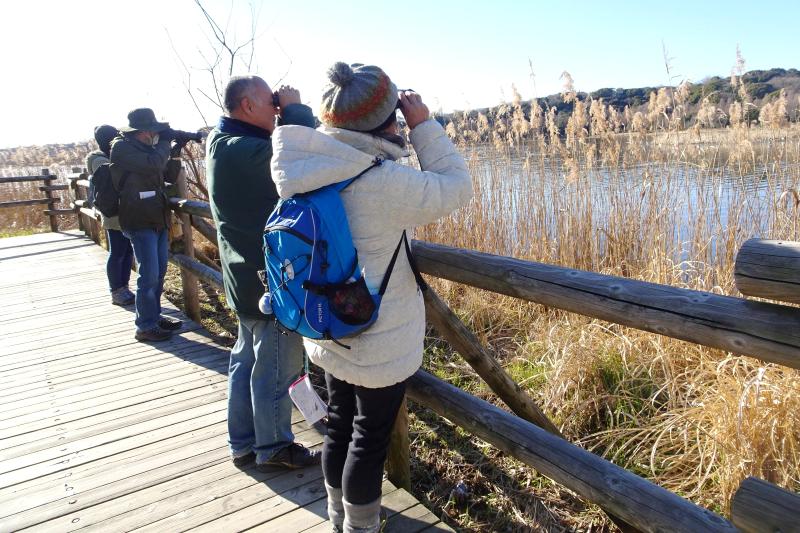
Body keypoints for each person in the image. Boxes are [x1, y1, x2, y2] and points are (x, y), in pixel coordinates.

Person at [271, 63, 472, 533]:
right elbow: (457, 188)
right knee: (368, 435)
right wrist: (423, 126)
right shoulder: (380, 181)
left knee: (340, 425)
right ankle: (361, 528)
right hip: (376, 335)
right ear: (387, 118)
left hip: (323, 323)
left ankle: (339, 519)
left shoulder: (300, 167)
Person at [205, 76, 320, 471]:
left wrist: (284, 113)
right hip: (267, 279)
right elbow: (306, 154)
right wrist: (295, 112)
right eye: (269, 101)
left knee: (246, 360)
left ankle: (243, 442)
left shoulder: (222, 142)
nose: (275, 107)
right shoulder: (246, 150)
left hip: (243, 275)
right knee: (276, 364)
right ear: (247, 106)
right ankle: (273, 447)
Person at [110, 108, 182, 342]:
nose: (155, 134)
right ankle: (145, 325)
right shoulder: (121, 148)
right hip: (139, 220)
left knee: (159, 271)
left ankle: (155, 316)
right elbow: (152, 166)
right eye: (153, 130)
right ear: (142, 131)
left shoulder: (149, 149)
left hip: (157, 217)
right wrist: (165, 143)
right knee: (148, 275)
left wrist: (176, 149)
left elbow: (168, 175)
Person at [85, 125, 135, 307]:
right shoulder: (99, 160)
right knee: (118, 252)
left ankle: (124, 287)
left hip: (125, 211)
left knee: (127, 251)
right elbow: (112, 178)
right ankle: (116, 290)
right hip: (113, 212)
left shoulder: (109, 157)